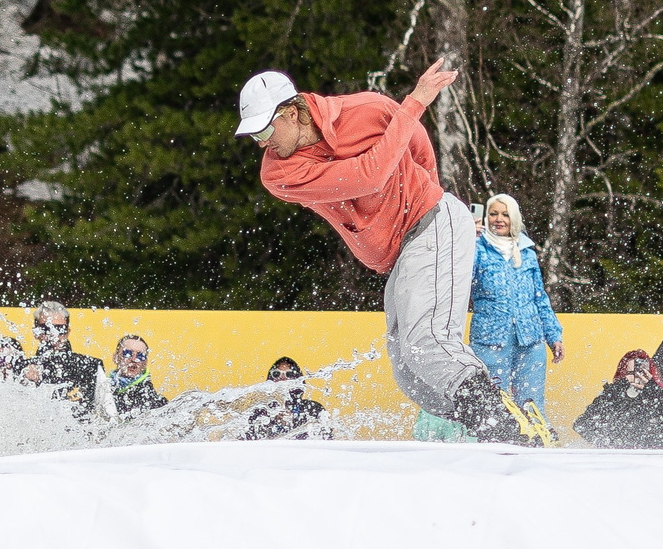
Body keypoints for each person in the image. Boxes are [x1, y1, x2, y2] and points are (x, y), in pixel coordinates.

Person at [238, 62, 536, 444]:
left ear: (292, 113)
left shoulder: (367, 109)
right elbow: (365, 176)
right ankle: (490, 413)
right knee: (410, 374)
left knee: (428, 341)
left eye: (263, 130)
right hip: (402, 253)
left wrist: (423, 195)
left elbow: (417, 148)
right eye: (253, 135)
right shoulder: (278, 173)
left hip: (430, 224)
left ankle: (505, 428)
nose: (261, 143)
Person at [469, 193, 564, 411]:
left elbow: (540, 298)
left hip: (530, 339)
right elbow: (463, 278)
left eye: (505, 214)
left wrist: (554, 336)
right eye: (493, 214)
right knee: (492, 404)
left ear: (514, 218)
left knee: (531, 403)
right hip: (490, 339)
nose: (498, 219)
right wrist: (469, 239)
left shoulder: (527, 253)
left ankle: (534, 431)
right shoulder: (477, 248)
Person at [0, 303, 115, 420]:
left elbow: (110, 415)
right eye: (46, 328)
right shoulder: (21, 369)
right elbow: (8, 415)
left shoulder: (90, 366)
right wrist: (24, 384)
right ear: (36, 332)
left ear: (67, 332)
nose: (53, 334)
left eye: (60, 329)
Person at [573, 350, 663, 449]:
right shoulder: (613, 396)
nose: (637, 377)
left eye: (642, 373)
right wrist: (615, 390)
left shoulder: (657, 398)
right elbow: (581, 425)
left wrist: (655, 392)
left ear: (651, 375)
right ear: (622, 374)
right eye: (630, 372)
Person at [241, 356, 329, 440]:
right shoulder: (260, 411)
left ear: (297, 378)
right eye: (276, 374)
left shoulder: (313, 409)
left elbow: (327, 439)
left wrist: (293, 421)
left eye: (289, 374)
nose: (283, 378)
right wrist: (273, 420)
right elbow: (249, 441)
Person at [110, 334, 169, 417]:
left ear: (145, 362)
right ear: (115, 358)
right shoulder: (101, 387)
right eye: (127, 353)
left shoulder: (156, 403)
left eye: (140, 356)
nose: (134, 359)